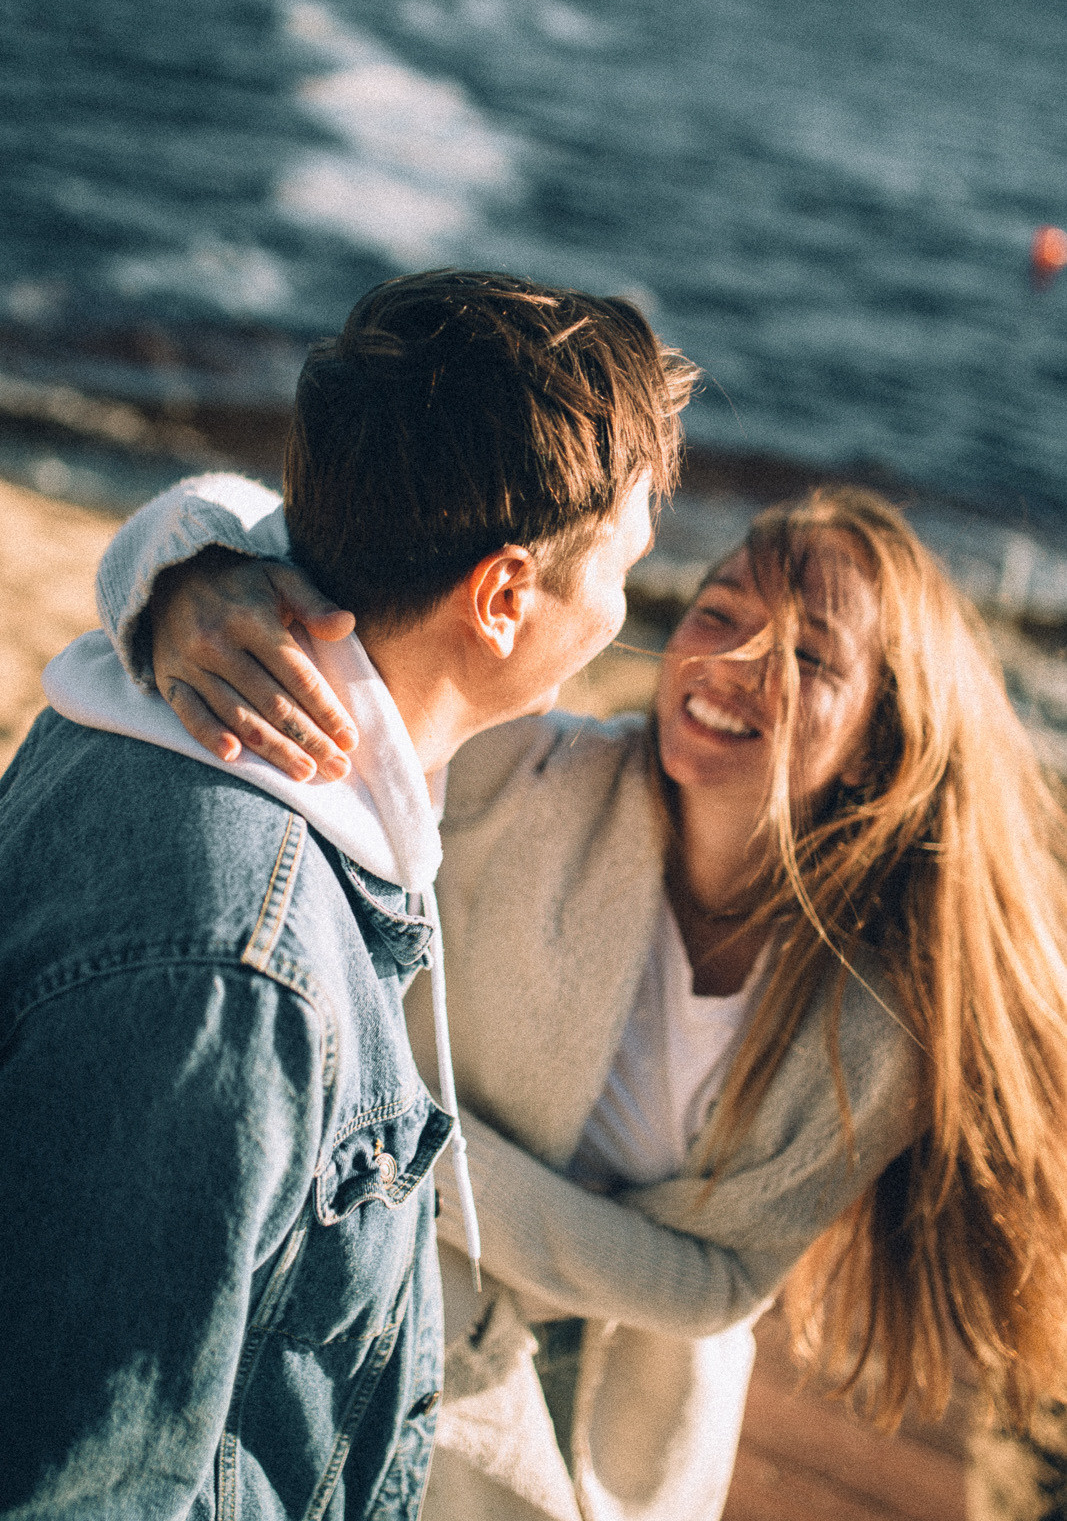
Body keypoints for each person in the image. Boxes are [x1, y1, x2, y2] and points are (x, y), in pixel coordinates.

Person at [74, 474, 1067, 1521]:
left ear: (884, 733)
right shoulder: (528, 773)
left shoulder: (882, 1024)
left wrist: (382, 1145)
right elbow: (272, 529)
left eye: (805, 654)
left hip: (628, 1431)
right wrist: (195, 575)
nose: (731, 663)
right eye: (718, 611)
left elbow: (717, 1284)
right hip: (366, 1318)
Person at [0, 269, 698, 1520]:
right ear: (501, 595)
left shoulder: (160, 690)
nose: (626, 608)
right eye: (622, 567)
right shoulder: (241, 968)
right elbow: (91, 1481)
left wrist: (175, 554)